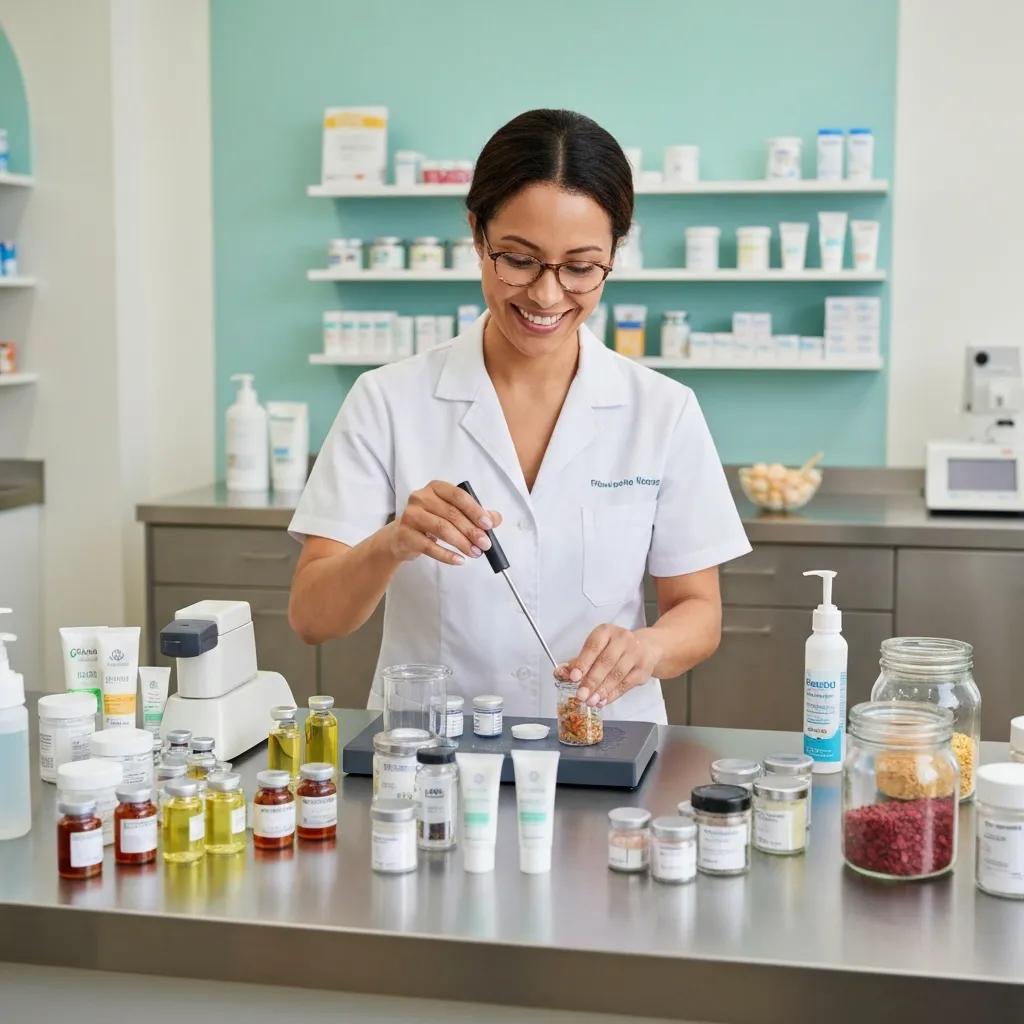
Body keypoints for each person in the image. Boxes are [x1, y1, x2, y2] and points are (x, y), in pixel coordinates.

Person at [288, 108, 750, 724]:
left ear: (614, 253)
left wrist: (647, 649)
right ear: (477, 234)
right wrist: (391, 543)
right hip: (434, 754)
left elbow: (698, 610)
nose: (547, 295)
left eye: (580, 267)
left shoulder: (662, 411)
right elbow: (312, 618)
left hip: (604, 744)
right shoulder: (387, 400)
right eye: (519, 259)